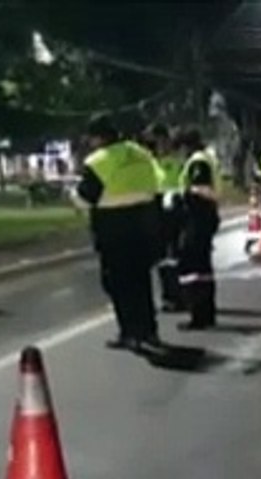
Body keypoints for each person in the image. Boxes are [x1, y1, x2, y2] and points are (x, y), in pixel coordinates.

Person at [75, 115, 163, 353]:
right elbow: (157, 184)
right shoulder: (141, 153)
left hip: (113, 229)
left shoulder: (99, 161)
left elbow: (85, 198)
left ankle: (130, 332)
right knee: (141, 281)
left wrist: (73, 196)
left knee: (118, 283)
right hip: (143, 225)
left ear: (98, 138)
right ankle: (149, 330)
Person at [174, 128, 220, 330]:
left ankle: (199, 314)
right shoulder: (204, 158)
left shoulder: (198, 162)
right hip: (204, 216)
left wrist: (182, 197)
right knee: (202, 266)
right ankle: (206, 313)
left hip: (198, 217)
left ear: (186, 146)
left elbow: (201, 189)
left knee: (192, 265)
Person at [144, 123, 186, 313]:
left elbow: (182, 184)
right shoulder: (150, 163)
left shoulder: (177, 161)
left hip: (174, 210)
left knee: (175, 255)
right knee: (161, 257)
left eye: (157, 142)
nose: (156, 147)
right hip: (155, 211)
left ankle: (179, 295)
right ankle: (169, 295)